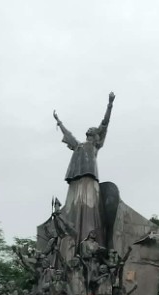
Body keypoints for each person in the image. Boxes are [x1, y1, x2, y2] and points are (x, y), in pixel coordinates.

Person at [53, 92, 115, 246]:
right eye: (90, 130)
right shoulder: (78, 146)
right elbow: (68, 135)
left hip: (89, 179)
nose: (90, 131)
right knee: (74, 207)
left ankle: (89, 238)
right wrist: (59, 122)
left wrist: (110, 104)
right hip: (76, 179)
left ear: (95, 136)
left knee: (89, 208)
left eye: (93, 131)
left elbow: (105, 124)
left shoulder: (95, 145)